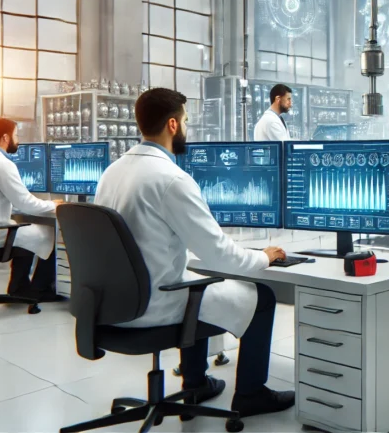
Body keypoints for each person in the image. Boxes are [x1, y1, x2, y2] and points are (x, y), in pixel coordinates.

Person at [94, 88, 294, 416]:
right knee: (262, 298)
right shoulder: (172, 180)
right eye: (186, 121)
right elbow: (219, 256)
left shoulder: (112, 173)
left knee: (198, 284)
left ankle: (195, 383)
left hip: (114, 303)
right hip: (153, 305)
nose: (187, 128)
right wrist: (264, 257)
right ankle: (251, 394)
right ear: (173, 125)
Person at [0, 118, 63, 301]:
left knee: (27, 231)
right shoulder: (2, 164)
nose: (18, 140)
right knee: (49, 233)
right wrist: (55, 205)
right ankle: (40, 289)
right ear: (6, 137)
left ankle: (19, 286)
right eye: (16, 135)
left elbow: (1, 199)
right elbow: (26, 203)